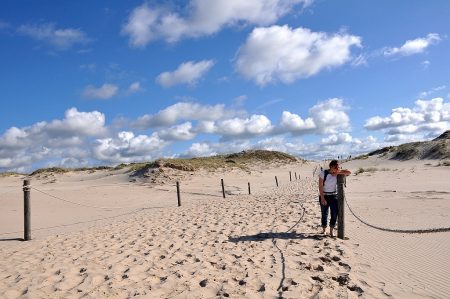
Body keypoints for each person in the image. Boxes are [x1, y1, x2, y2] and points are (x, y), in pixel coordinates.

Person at [318, 160, 351, 236]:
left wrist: (338, 172)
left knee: (334, 214)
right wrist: (322, 198)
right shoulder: (323, 173)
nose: (337, 168)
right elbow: (320, 186)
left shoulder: (337, 172)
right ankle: (324, 230)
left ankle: (331, 230)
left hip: (333, 196)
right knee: (324, 213)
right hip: (324, 195)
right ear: (331, 166)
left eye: (338, 167)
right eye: (336, 167)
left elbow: (349, 172)